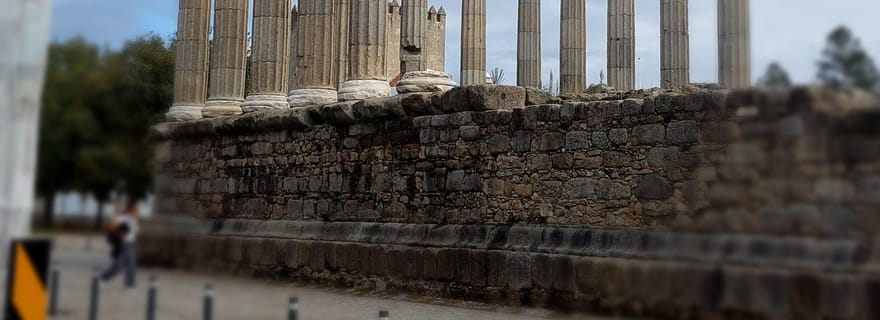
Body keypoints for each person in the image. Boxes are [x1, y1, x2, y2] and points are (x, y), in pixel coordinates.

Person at [100, 200, 139, 288]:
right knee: (118, 265)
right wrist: (120, 234)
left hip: (131, 244)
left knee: (131, 265)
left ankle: (129, 285)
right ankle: (103, 277)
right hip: (123, 244)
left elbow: (133, 232)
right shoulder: (123, 218)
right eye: (136, 208)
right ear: (131, 209)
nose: (137, 210)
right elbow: (111, 227)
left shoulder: (134, 219)